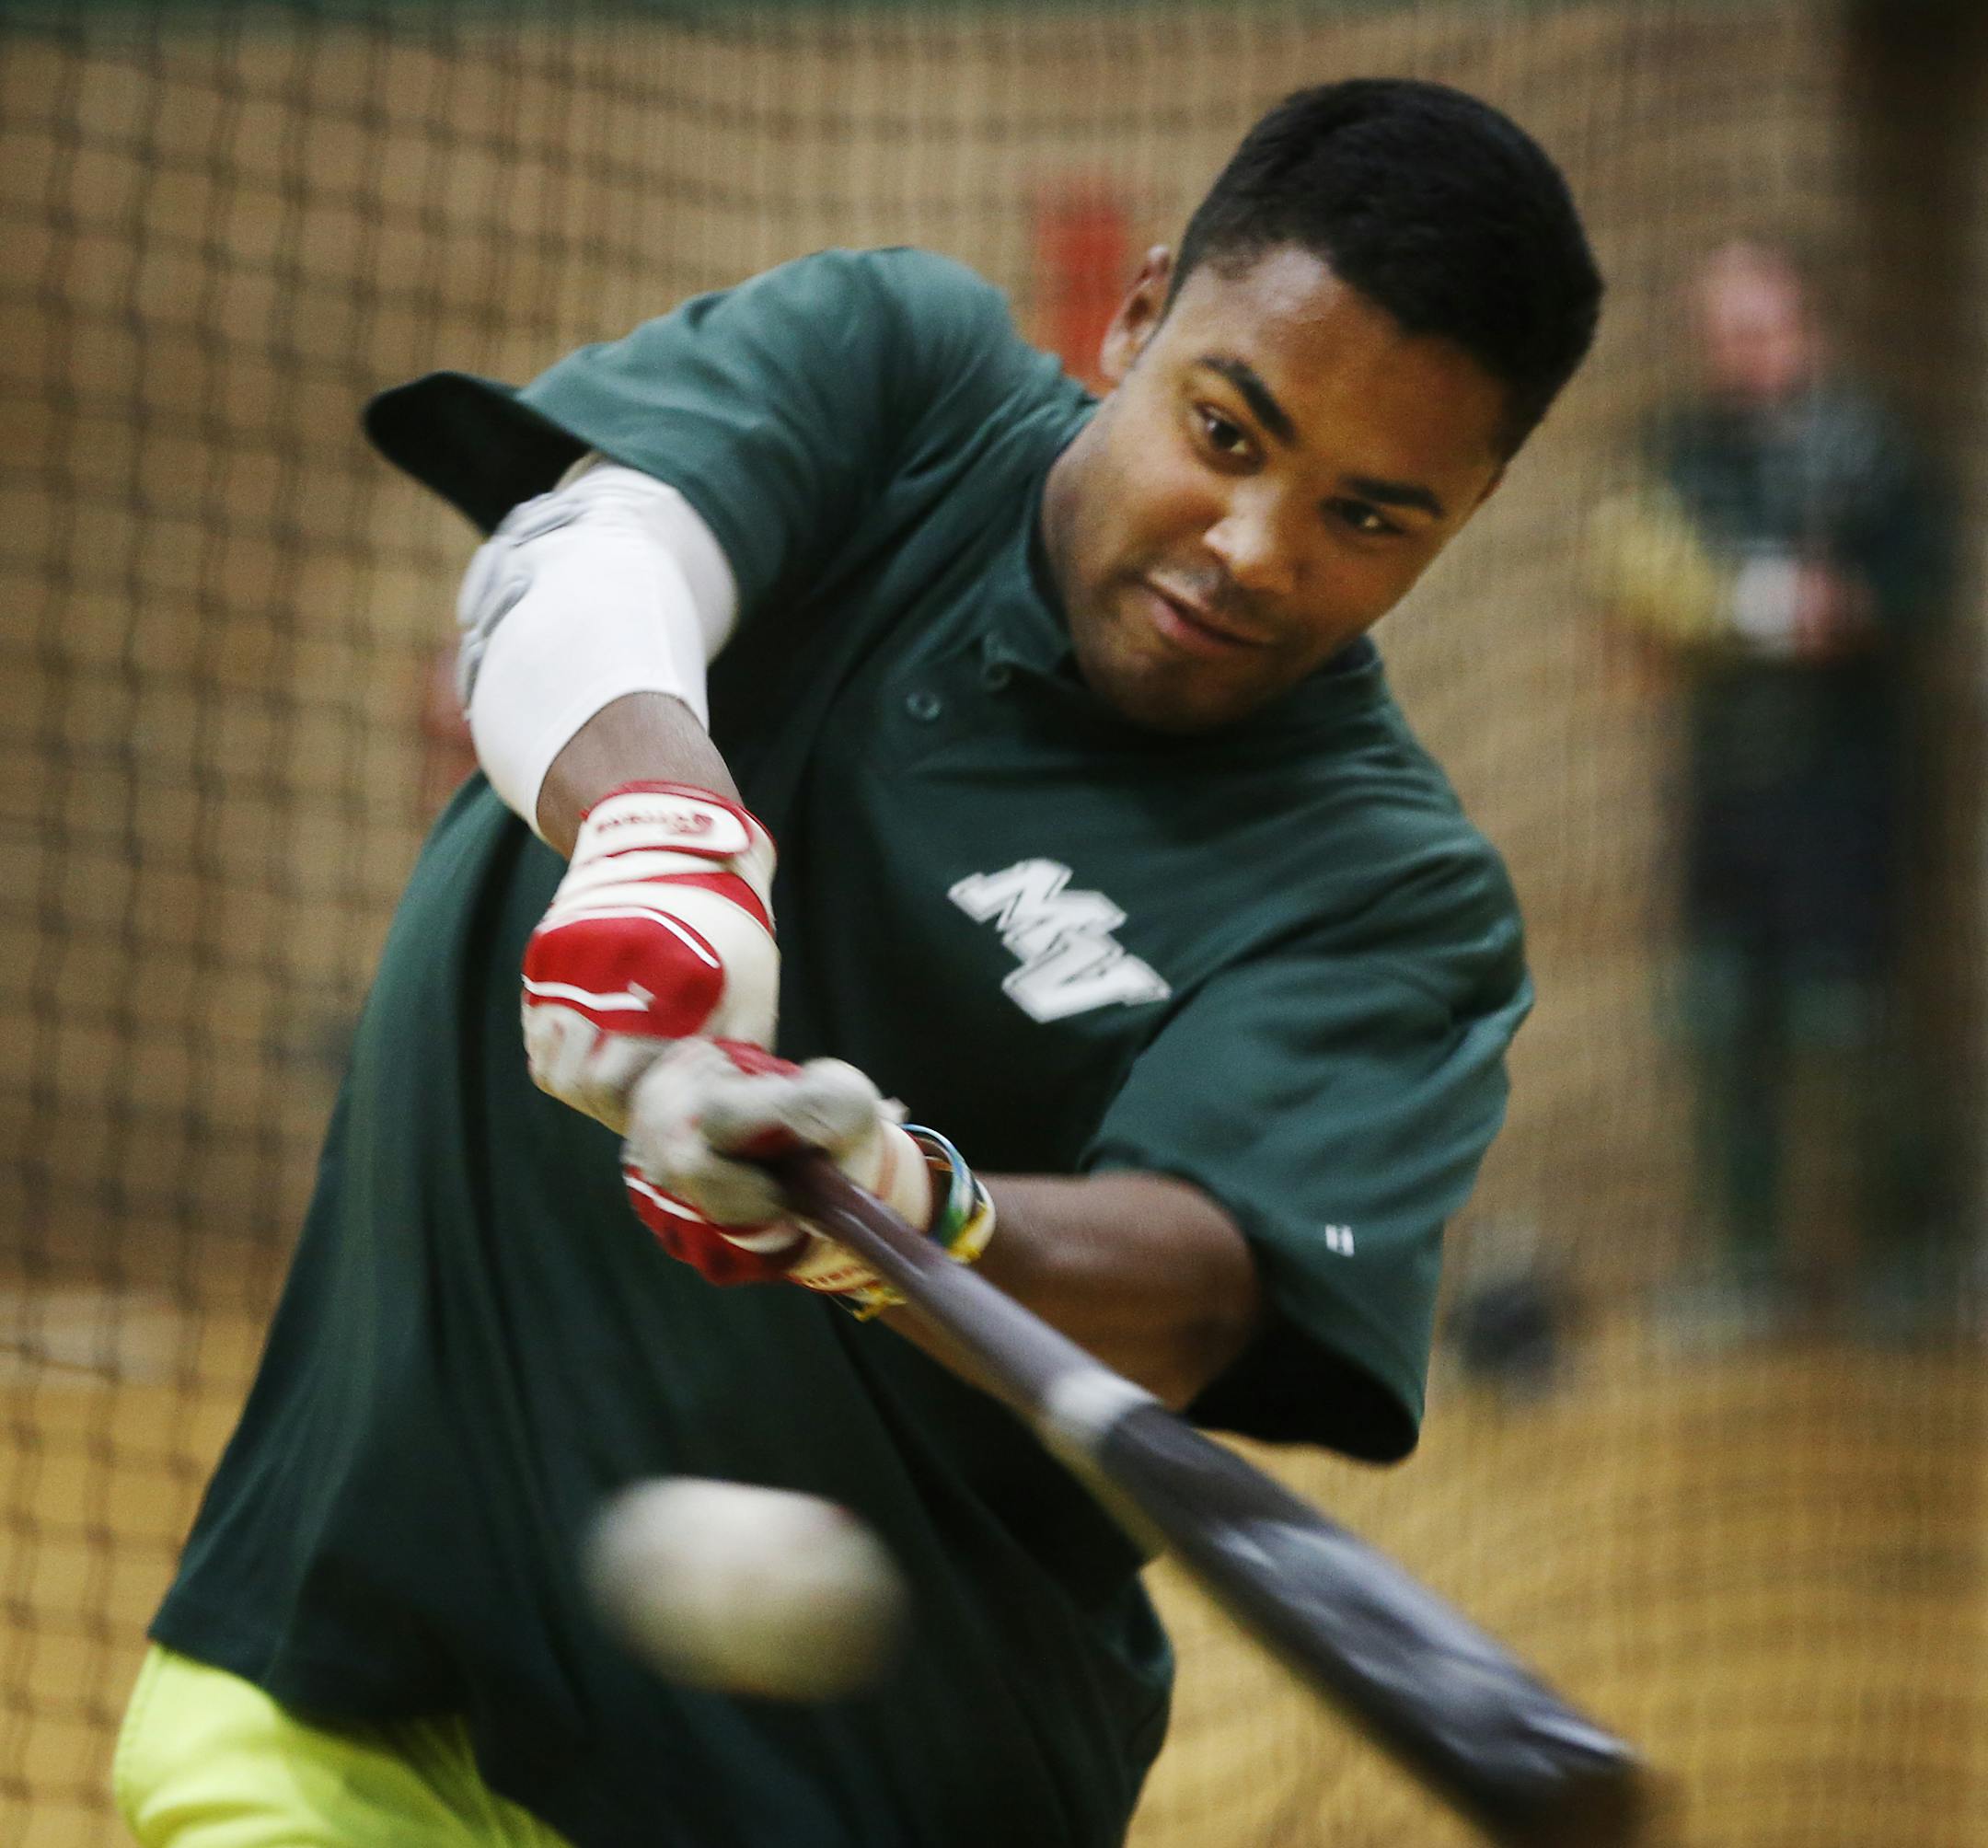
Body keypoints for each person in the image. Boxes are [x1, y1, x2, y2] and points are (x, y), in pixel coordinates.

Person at [114, 80, 1601, 1848]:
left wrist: (918, 1200)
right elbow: (581, 558)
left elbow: (1210, 1289)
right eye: (1225, 430)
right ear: (1134, 317)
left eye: (1372, 517)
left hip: (875, 1779)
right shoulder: (899, 379)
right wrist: (664, 839)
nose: (1256, 547)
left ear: (1474, 506)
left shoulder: (1387, 888)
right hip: (355, 1658)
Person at [1589, 239, 1948, 1339]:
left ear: (1805, 325)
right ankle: (1746, 1272)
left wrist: (1817, 608)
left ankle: (1909, 1263)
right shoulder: (1686, 453)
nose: (1741, 351)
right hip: (1726, 797)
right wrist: (1682, 614)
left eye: (1761, 327)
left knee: (1842, 1024)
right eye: (1724, 331)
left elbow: (1917, 586)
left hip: (1839, 794)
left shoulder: (1868, 451)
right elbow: (1635, 604)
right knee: (1717, 1017)